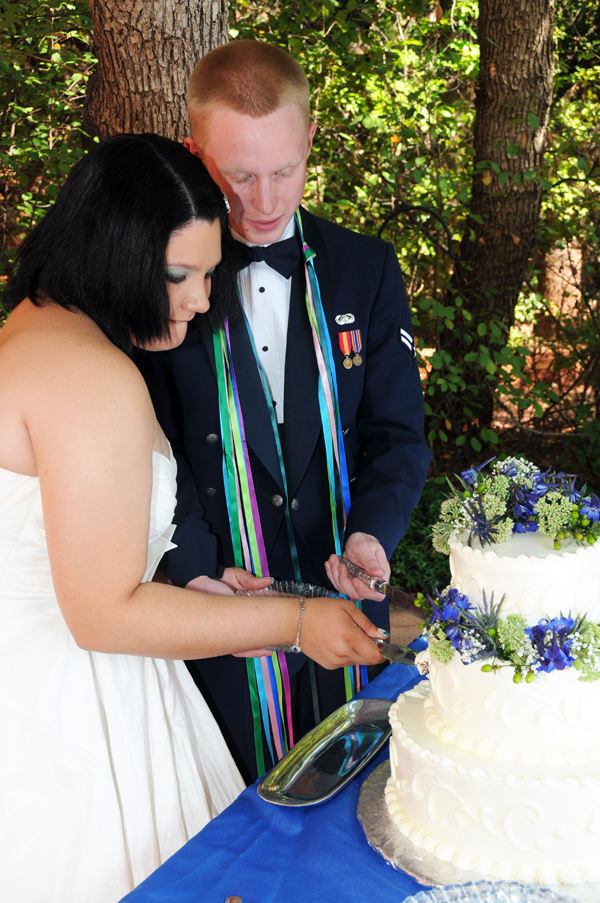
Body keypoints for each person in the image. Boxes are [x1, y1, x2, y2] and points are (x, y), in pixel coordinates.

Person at [0, 133, 385, 903]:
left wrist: (202, 597)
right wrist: (292, 622)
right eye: (185, 275)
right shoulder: (88, 376)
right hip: (79, 728)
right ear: (118, 252)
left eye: (210, 275)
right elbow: (105, 613)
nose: (203, 300)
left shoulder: (32, 331)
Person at [136, 40, 431, 785]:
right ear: (193, 151)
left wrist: (371, 533)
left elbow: (397, 435)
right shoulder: (153, 280)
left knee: (363, 796)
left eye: (284, 172)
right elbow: (150, 447)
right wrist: (198, 574)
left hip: (350, 613)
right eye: (236, 176)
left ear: (309, 140)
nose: (264, 202)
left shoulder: (368, 267)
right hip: (221, 621)